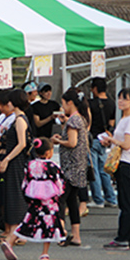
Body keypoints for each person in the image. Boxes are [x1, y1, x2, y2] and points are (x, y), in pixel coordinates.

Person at [0, 138, 65, 260]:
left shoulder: (30, 165)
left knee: (27, 221)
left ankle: (10, 241)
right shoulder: (52, 166)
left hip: (34, 198)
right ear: (48, 153)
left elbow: (25, 181)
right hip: (49, 200)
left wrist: (27, 196)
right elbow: (59, 181)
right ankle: (44, 253)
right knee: (48, 224)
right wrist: (60, 194)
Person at [102, 88, 130, 250]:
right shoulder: (125, 119)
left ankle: (123, 238)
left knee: (126, 203)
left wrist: (112, 140)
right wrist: (110, 142)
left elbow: (127, 144)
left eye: (125, 99)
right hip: (125, 163)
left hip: (127, 163)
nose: (121, 101)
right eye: (119, 98)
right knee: (129, 202)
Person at [52, 88, 89, 247]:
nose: (63, 107)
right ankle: (76, 236)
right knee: (72, 202)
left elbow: (72, 143)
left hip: (71, 167)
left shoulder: (73, 120)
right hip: (79, 166)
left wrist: (58, 141)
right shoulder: (80, 118)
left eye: (63, 103)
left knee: (60, 199)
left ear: (70, 103)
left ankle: (62, 233)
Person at [0, 89, 31, 242]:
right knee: (11, 195)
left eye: (9, 101)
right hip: (14, 161)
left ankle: (18, 233)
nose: (8, 104)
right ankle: (13, 232)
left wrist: (7, 159)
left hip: (16, 161)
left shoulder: (20, 120)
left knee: (16, 195)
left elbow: (22, 144)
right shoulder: (18, 119)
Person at [87, 77, 117, 209]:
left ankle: (98, 200)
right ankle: (111, 199)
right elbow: (112, 123)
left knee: (94, 170)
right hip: (105, 139)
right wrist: (108, 135)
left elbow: (88, 122)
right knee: (104, 170)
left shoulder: (90, 103)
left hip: (93, 138)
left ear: (95, 89)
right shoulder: (111, 103)